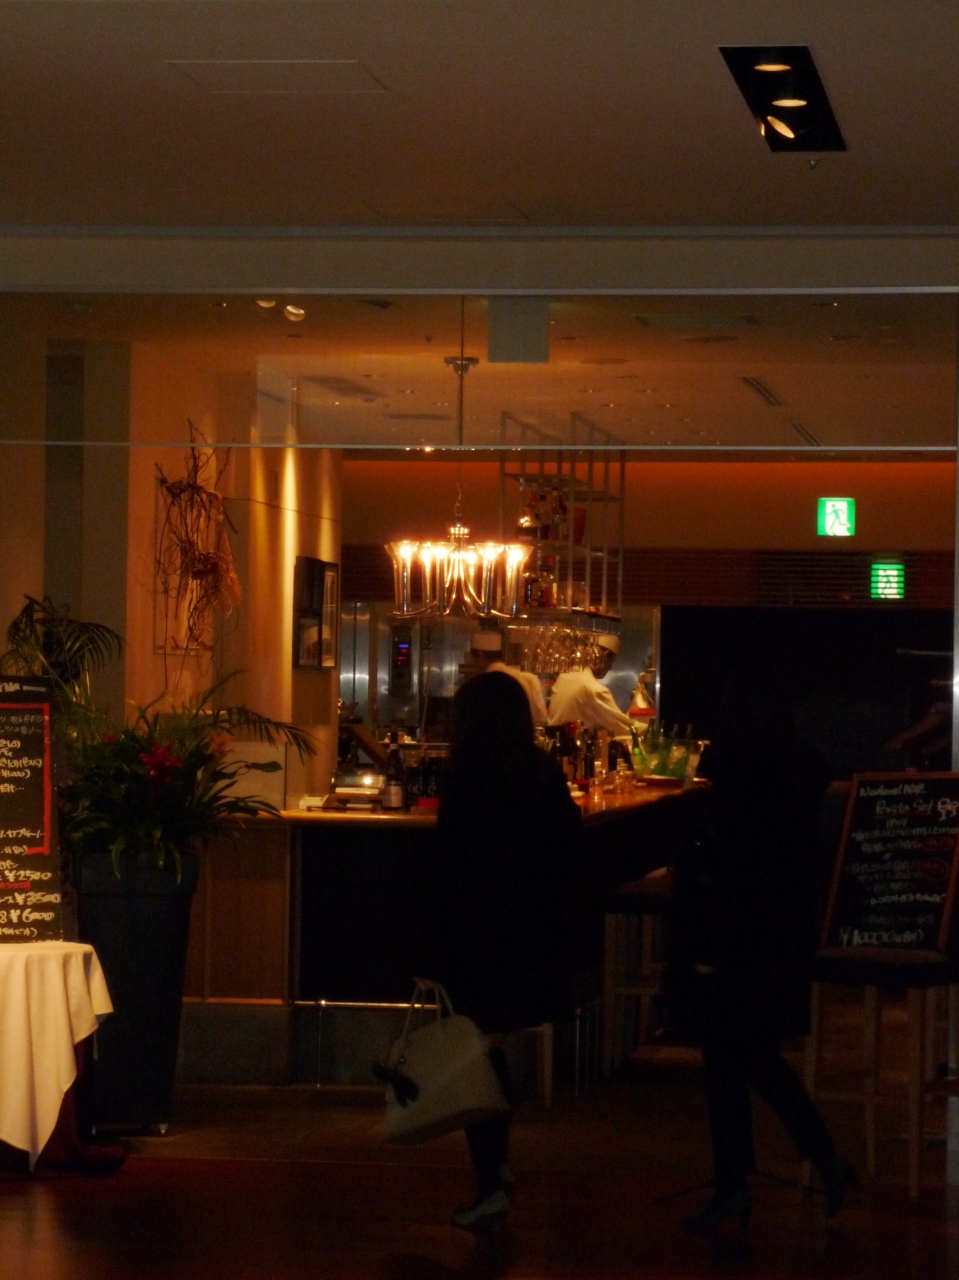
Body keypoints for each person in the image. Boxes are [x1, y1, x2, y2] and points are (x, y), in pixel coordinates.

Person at [667, 669, 854, 1235]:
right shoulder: (800, 767)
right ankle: (789, 1169)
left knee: (731, 1054)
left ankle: (750, 1179)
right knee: (751, 1054)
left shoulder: (732, 768)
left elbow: (718, 858)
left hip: (735, 930)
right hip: (782, 932)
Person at [422, 672, 582, 1231]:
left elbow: (451, 864)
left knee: (477, 1053)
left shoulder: (467, 775)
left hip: (479, 934)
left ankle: (490, 1180)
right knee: (490, 1046)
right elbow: (568, 841)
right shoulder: (541, 770)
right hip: (530, 933)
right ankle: (499, 1167)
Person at [547, 633, 632, 735]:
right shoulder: (593, 689)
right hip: (573, 743)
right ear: (605, 656)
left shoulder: (564, 676)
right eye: (612, 662)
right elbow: (624, 728)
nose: (610, 668)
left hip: (555, 742)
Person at [469, 630, 549, 727]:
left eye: (472, 659)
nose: (472, 664)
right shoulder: (530, 679)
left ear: (480, 655)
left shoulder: (481, 686)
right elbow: (542, 720)